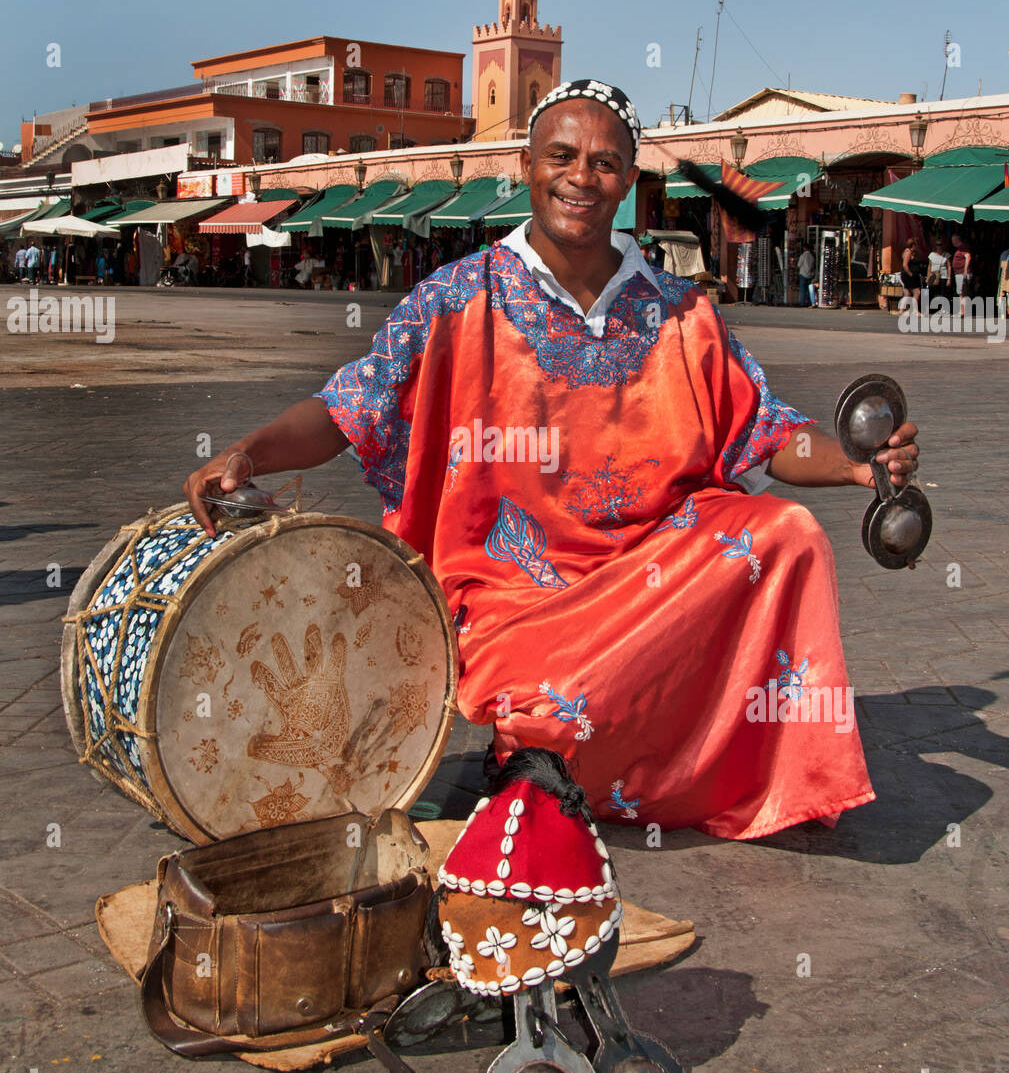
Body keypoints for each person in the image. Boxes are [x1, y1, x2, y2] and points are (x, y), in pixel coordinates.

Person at [184, 79, 920, 842]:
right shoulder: (456, 301)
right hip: (514, 593)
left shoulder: (682, 312)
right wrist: (249, 452)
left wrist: (860, 468)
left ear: (628, 181)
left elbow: (765, 432)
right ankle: (552, 754)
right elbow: (344, 410)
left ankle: (704, 773)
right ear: (525, 166)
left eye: (604, 163)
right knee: (561, 694)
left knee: (785, 535)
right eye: (561, 156)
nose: (581, 177)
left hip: (656, 575)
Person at [900, 238, 924, 312]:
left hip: (908, 274)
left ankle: (902, 309)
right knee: (917, 292)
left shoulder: (910, 252)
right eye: (916, 245)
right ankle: (914, 310)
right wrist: (910, 273)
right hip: (908, 275)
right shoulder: (908, 251)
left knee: (907, 293)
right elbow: (905, 265)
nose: (916, 247)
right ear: (913, 245)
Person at [797, 242, 816, 306]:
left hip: (803, 274)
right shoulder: (812, 256)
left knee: (803, 290)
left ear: (804, 248)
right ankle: (810, 302)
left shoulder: (803, 256)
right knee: (809, 290)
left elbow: (799, 265)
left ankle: (802, 303)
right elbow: (813, 266)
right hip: (809, 275)